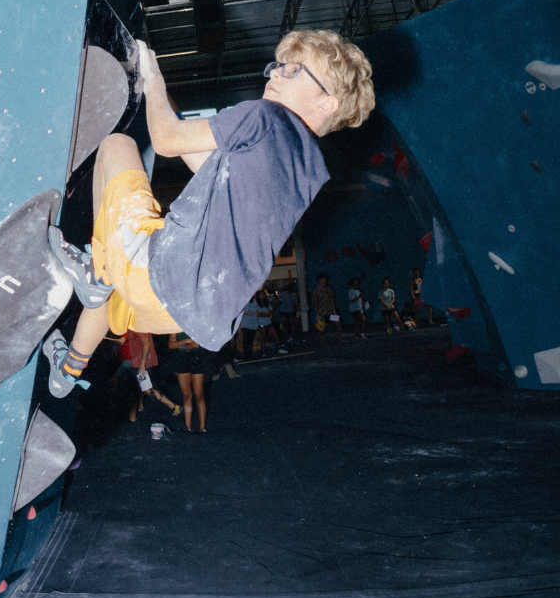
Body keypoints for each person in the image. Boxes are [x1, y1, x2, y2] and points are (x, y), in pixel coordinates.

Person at [41, 28, 375, 396]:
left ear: (326, 102)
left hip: (160, 274)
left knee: (117, 145)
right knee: (112, 285)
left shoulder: (265, 118)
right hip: (180, 314)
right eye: (278, 66)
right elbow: (204, 165)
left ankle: (95, 272)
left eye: (294, 71)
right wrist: (162, 94)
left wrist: (153, 79)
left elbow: (167, 141)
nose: (276, 73)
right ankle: (68, 369)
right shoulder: (306, 175)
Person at [123, 329, 181, 422]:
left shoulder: (139, 324)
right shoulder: (133, 325)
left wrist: (142, 364)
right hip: (136, 362)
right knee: (135, 390)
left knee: (146, 389)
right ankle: (133, 418)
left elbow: (147, 344)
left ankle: (173, 406)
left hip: (141, 363)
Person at [168, 331, 210, 432]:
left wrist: (180, 345)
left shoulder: (195, 322)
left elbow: (196, 344)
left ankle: (202, 428)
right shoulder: (176, 325)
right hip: (181, 358)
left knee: (199, 394)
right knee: (186, 395)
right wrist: (186, 341)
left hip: (196, 357)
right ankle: (188, 427)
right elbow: (170, 345)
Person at [311, 272, 343, 344]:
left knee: (338, 323)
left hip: (330, 311)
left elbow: (332, 301)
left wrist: (334, 311)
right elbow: (315, 303)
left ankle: (340, 339)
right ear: (319, 280)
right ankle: (322, 341)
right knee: (321, 328)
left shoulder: (329, 289)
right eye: (323, 278)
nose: (325, 280)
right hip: (322, 312)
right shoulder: (316, 290)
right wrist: (317, 314)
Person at [257, 288, 285, 354]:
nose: (262, 296)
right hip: (261, 323)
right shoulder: (257, 304)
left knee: (275, 336)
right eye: (261, 295)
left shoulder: (267, 303)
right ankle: (263, 353)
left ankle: (279, 349)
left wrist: (265, 313)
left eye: (263, 295)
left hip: (268, 321)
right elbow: (259, 314)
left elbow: (271, 312)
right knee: (263, 338)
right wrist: (267, 313)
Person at [240, 294, 261, 361]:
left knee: (251, 340)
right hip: (245, 324)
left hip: (253, 324)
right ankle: (246, 355)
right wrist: (246, 313)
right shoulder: (242, 302)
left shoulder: (254, 301)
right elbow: (239, 313)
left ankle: (250, 355)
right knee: (246, 340)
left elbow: (257, 310)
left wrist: (257, 313)